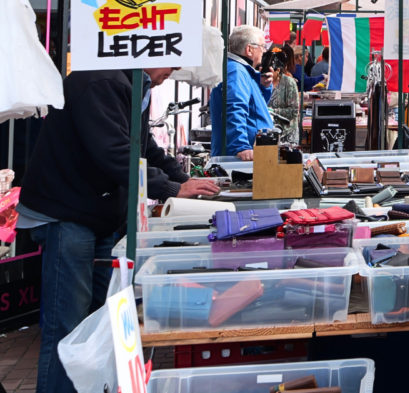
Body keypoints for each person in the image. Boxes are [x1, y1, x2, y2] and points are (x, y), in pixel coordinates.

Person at [19, 68, 221, 393]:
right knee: (68, 327)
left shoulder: (133, 83)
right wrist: (170, 187)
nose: (171, 73)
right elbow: (114, 152)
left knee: (96, 321)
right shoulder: (102, 81)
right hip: (67, 213)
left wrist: (181, 180)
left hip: (94, 214)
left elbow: (144, 147)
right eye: (170, 63)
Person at [210, 25, 275, 159]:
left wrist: (263, 87)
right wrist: (240, 146)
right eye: (262, 46)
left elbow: (254, 110)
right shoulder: (236, 71)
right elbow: (234, 108)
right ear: (249, 49)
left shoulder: (239, 70)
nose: (264, 51)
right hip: (239, 157)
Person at [268, 47, 301, 144]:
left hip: (287, 133)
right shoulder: (262, 82)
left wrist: (272, 111)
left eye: (271, 71)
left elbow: (294, 111)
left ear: (278, 70)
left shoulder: (289, 83)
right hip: (268, 132)